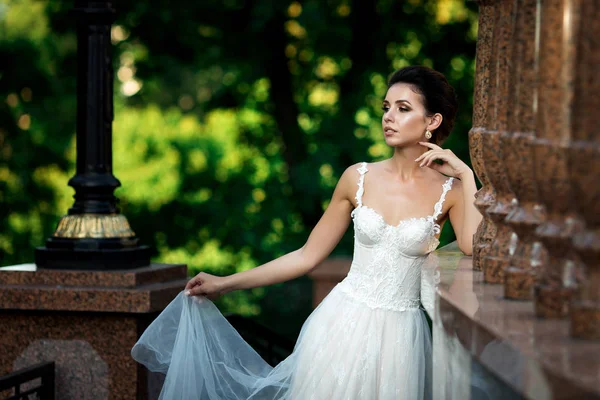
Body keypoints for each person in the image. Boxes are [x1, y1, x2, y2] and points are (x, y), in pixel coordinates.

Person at [131, 65, 482, 400]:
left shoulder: (450, 191)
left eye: (403, 108)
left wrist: (468, 176)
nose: (388, 117)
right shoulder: (357, 177)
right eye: (386, 107)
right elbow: (306, 256)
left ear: (432, 121)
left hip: (401, 340)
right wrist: (225, 282)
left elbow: (472, 246)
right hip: (339, 324)